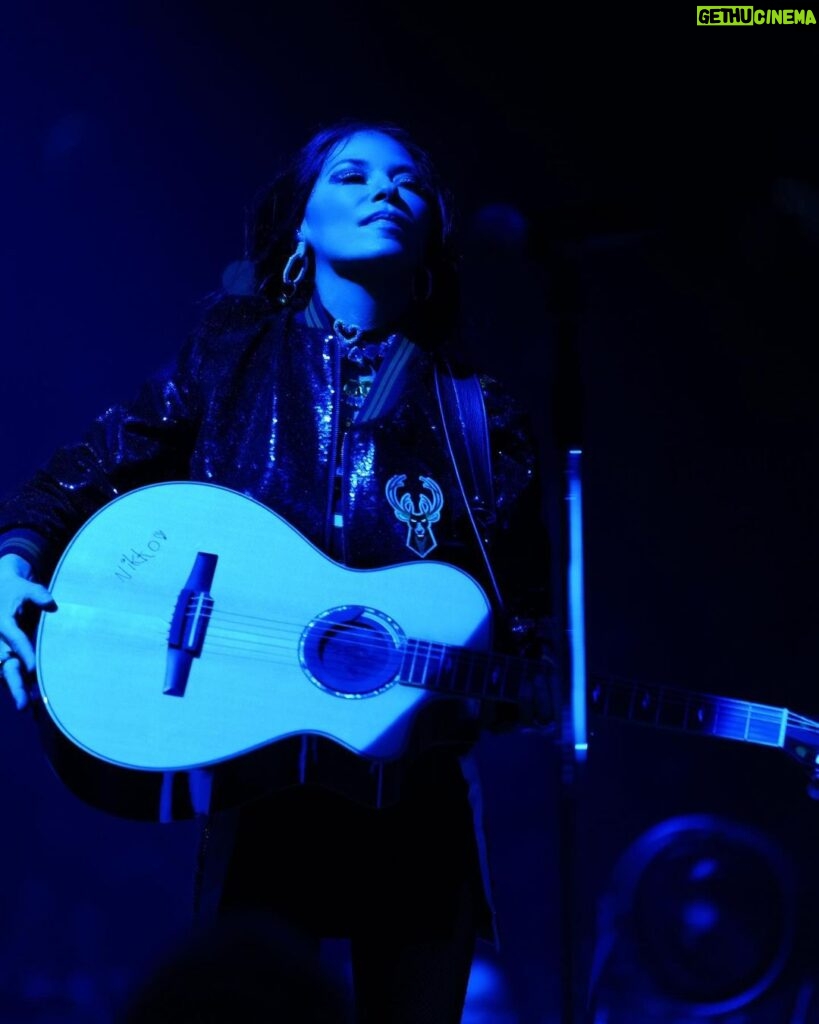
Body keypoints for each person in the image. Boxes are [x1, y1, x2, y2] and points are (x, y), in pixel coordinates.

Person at [0, 117, 555, 1022]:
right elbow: (86, 467)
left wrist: (523, 681)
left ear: (433, 231)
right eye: (351, 175)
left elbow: (520, 624)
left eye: (408, 181)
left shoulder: (479, 418)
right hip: (259, 801)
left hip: (415, 815)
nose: (384, 189)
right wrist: (13, 558)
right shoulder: (227, 358)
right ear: (299, 223)